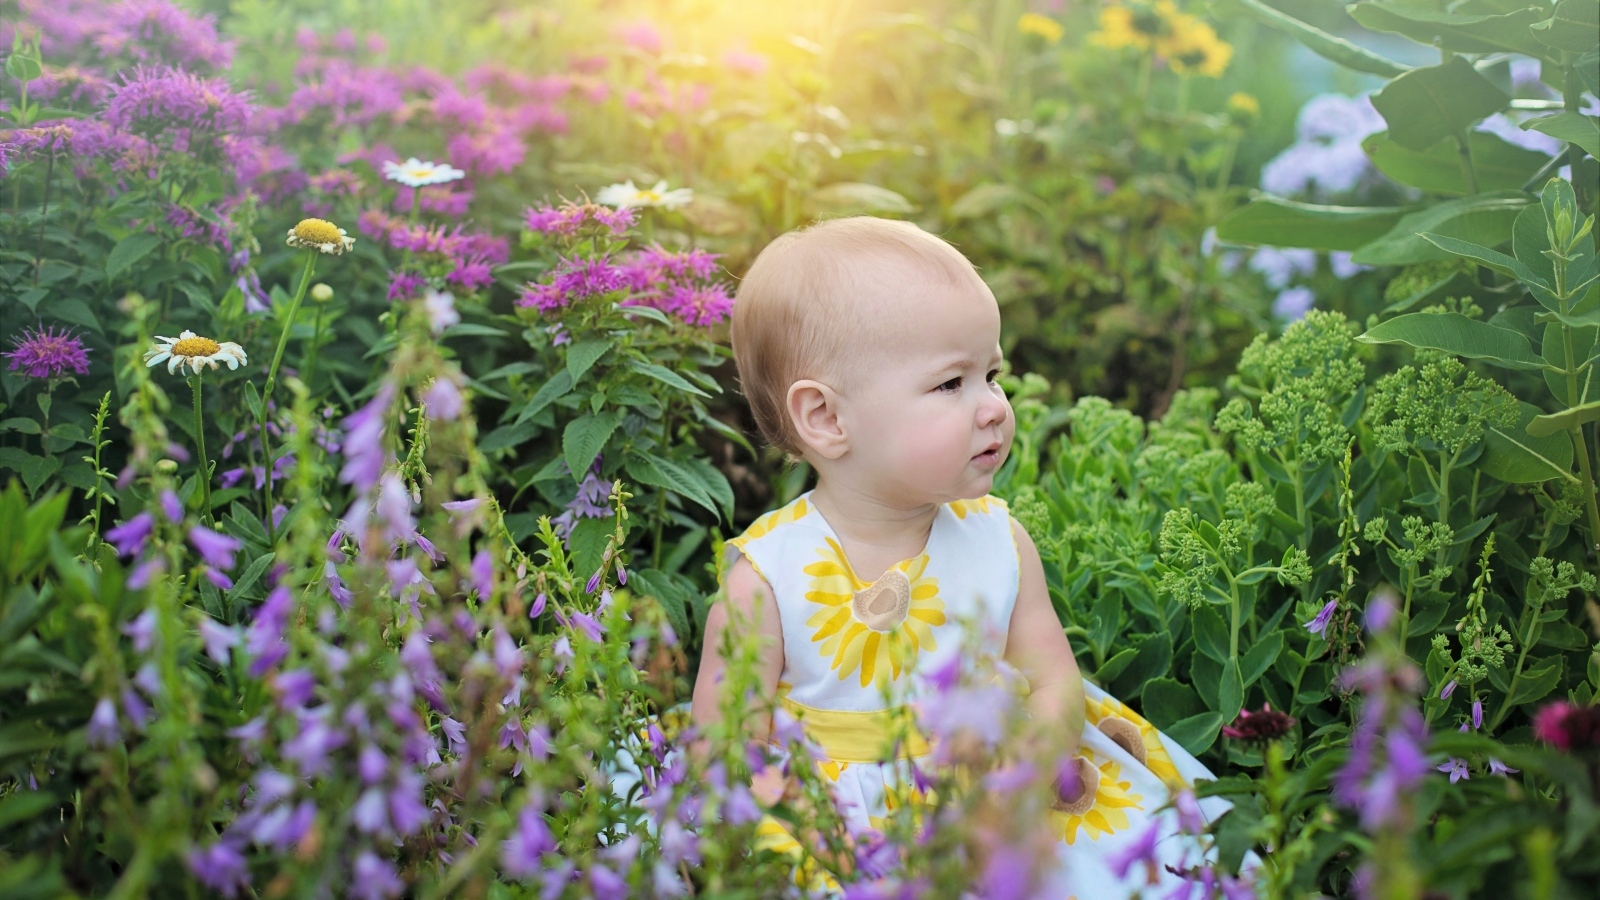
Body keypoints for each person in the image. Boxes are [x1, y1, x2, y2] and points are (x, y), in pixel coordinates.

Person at [691, 216, 1232, 896]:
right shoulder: (766, 578)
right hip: (841, 822)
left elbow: (1055, 681)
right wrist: (803, 828)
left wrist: (1025, 778)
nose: (994, 409)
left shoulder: (997, 540)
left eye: (992, 374)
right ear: (827, 418)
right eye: (952, 384)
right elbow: (724, 743)